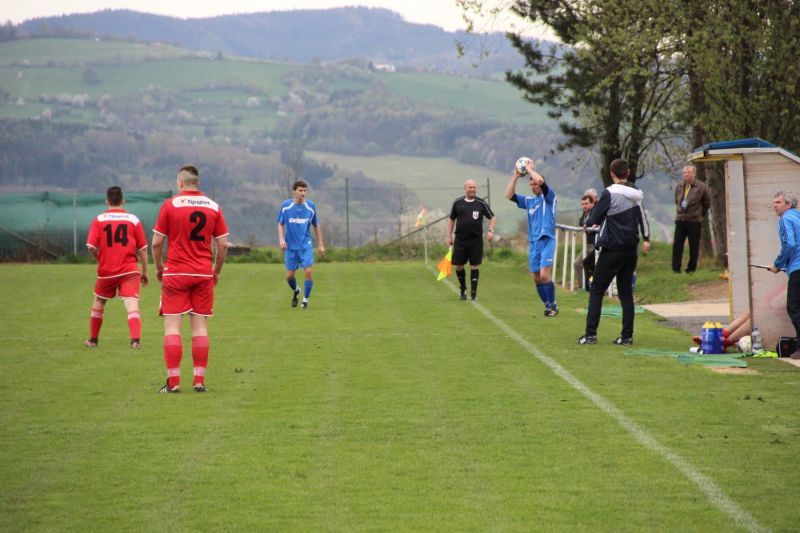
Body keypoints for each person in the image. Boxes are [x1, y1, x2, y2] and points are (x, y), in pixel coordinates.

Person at [152, 165, 229, 393]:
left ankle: (173, 383)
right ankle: (199, 381)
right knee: (200, 327)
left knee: (173, 326)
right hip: (203, 273)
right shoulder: (213, 206)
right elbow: (222, 244)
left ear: (180, 183)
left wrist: (159, 267)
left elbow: (156, 242)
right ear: (197, 183)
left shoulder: (171, 204)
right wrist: (216, 270)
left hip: (175, 273)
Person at [578, 159, 650, 345]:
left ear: (612, 174)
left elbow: (594, 218)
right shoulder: (637, 195)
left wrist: (587, 224)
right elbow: (642, 218)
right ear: (628, 172)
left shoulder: (609, 194)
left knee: (596, 290)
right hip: (630, 250)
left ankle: (590, 334)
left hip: (612, 249)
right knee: (625, 293)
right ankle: (627, 337)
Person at [84, 186, 149, 349]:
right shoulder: (133, 219)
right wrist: (145, 271)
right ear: (123, 200)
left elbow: (91, 246)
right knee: (132, 303)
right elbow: (142, 248)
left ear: (107, 202)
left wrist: (100, 258)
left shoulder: (99, 220)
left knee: (99, 301)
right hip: (129, 270)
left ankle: (93, 340)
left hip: (106, 271)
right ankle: (135, 341)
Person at [505, 158, 559, 316]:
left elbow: (541, 180)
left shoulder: (549, 197)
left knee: (544, 275)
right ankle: (548, 305)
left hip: (547, 239)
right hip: (534, 242)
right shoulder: (529, 201)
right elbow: (508, 195)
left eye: (535, 184)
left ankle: (554, 305)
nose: (533, 186)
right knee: (536, 278)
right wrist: (515, 174)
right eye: (531, 184)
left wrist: (528, 168)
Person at [278, 180, 325, 309]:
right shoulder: (285, 206)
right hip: (291, 247)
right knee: (289, 276)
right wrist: (282, 240)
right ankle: (296, 290)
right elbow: (280, 223)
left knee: (308, 271)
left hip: (305, 245)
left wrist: (320, 244)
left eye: (305, 191)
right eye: (300, 190)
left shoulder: (310, 206)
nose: (303, 193)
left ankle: (305, 300)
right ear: (294, 192)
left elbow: (316, 225)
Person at [447, 179, 496, 301]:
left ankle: (474, 293)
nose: (472, 189)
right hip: (460, 240)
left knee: (474, 265)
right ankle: (463, 289)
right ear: (465, 189)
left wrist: (490, 230)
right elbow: (451, 220)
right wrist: (449, 236)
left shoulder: (481, 203)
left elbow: (492, 217)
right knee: (458, 265)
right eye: (470, 187)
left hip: (476, 240)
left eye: (474, 187)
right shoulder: (457, 203)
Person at [769, 191, 800, 341]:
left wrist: (777, 264)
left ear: (788, 204)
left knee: (794, 308)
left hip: (798, 270)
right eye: (774, 202)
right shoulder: (798, 217)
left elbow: (789, 244)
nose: (775, 205)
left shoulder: (785, 219)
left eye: (778, 202)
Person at [672, 164, 710, 273]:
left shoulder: (702, 187)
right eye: (684, 173)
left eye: (688, 172)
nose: (686, 175)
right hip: (680, 219)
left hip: (694, 221)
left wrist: (699, 214)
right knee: (677, 245)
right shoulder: (679, 186)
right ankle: (676, 269)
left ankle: (691, 269)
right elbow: (677, 200)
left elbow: (706, 203)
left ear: (694, 174)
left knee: (694, 246)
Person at [574, 194, 596, 291]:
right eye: (582, 204)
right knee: (577, 264)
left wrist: (588, 224)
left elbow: (594, 221)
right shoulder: (585, 213)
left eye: (586, 204)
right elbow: (581, 222)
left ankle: (590, 286)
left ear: (592, 203)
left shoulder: (595, 212)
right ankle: (582, 286)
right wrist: (585, 224)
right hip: (587, 245)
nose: (584, 206)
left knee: (591, 266)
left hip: (596, 245)